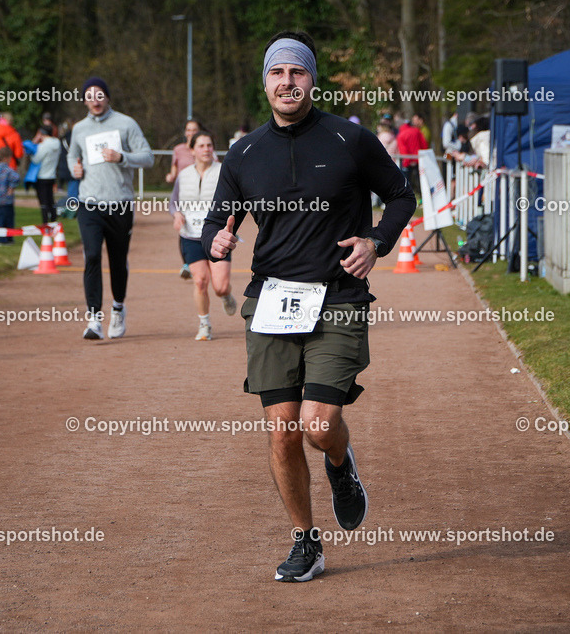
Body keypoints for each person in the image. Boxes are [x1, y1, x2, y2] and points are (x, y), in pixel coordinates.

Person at [202, 30, 415, 582]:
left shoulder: (349, 139)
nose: (287, 82)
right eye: (277, 73)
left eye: (297, 72)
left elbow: (401, 194)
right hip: (271, 302)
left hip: (339, 298)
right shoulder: (246, 152)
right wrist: (216, 243)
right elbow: (216, 218)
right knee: (282, 431)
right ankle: (305, 542)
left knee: (320, 427)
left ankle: (341, 466)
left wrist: (376, 242)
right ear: (266, 83)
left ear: (311, 80)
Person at [68, 77, 154, 340]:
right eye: (89, 95)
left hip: (119, 204)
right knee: (92, 255)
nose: (95, 100)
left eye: (100, 94)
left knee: (117, 260)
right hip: (89, 203)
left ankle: (118, 308)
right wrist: (74, 167)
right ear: (84, 100)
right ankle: (94, 318)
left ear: (107, 97)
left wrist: (122, 157)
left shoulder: (126, 124)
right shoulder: (79, 129)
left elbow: (148, 157)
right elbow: (72, 155)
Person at [170, 130, 237, 339]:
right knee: (200, 281)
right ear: (192, 150)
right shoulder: (184, 175)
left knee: (220, 286)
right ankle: (204, 324)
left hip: (217, 236)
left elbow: (237, 199)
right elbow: (174, 202)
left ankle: (225, 295)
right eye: (201, 146)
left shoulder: (223, 171)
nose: (206, 149)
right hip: (190, 236)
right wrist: (177, 214)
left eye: (209, 145)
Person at [166, 119, 203, 280]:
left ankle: (204, 259)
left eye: (194, 130)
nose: (191, 132)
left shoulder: (205, 148)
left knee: (201, 226)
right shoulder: (178, 150)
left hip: (202, 196)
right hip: (184, 194)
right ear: (185, 132)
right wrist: (171, 175)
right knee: (183, 227)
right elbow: (174, 168)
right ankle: (187, 263)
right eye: (188, 130)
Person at [31, 125, 61, 224]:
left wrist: (33, 147)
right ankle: (53, 220)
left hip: (42, 176)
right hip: (52, 175)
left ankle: (45, 223)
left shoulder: (43, 145)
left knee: (43, 203)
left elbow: (36, 159)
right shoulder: (57, 143)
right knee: (51, 200)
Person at [396, 111, 428, 194]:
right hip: (418, 159)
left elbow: (403, 149)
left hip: (407, 161)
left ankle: (406, 197)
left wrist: (407, 160)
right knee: (421, 180)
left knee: (406, 182)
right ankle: (423, 197)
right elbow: (424, 145)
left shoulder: (401, 135)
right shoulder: (417, 131)